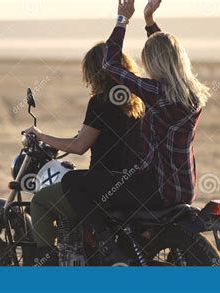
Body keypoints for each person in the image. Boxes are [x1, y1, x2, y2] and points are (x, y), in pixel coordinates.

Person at [62, 0, 211, 264]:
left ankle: (104, 242)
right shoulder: (193, 94)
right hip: (185, 187)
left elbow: (110, 65)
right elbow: (169, 54)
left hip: (154, 186)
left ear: (156, 63)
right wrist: (149, 21)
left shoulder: (155, 92)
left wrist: (123, 20)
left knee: (72, 182)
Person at [24, 42, 145, 265]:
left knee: (41, 200)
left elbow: (79, 146)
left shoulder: (100, 102)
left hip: (106, 185)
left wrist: (41, 136)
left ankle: (46, 269)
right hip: (136, 183)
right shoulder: (140, 100)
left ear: (93, 72)